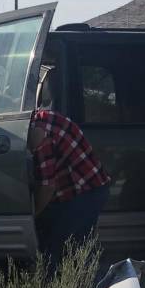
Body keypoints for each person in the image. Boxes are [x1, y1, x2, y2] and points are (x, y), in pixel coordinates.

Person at [29, 108, 111, 267]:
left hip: (86, 191)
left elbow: (47, 187)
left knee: (60, 245)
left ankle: (78, 286)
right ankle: (88, 281)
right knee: (76, 244)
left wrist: (33, 215)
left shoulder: (39, 134)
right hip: (84, 187)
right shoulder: (41, 118)